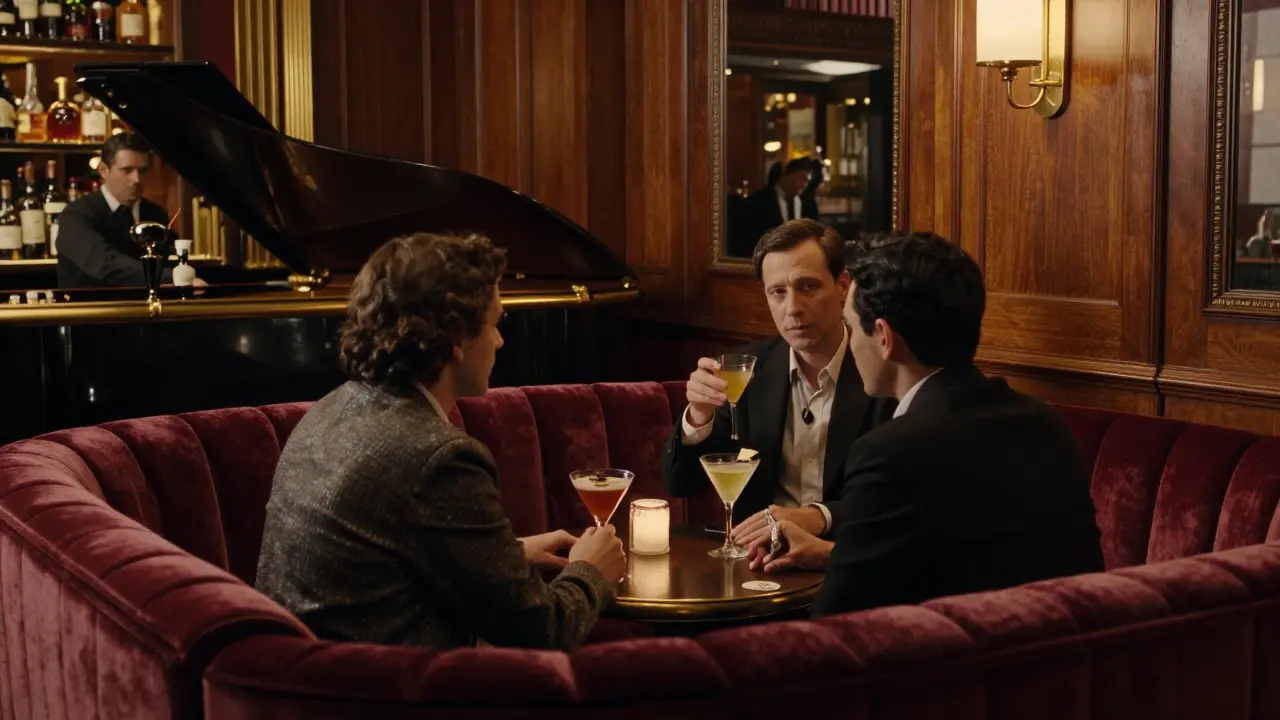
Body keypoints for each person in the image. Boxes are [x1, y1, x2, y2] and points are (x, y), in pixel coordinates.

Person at [255, 232, 626, 650]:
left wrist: (510, 554)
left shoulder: (331, 407)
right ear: (456, 342)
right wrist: (590, 572)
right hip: (381, 691)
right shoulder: (439, 457)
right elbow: (544, 630)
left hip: (304, 681)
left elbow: (380, 561)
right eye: (495, 323)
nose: (501, 340)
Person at [746, 231, 1105, 617]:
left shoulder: (891, 452)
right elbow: (969, 561)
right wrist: (835, 554)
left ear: (883, 337)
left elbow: (835, 628)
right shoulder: (1044, 422)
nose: (849, 343)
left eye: (851, 325)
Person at [661, 218, 896, 546]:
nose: (793, 308)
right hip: (757, 564)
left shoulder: (884, 372)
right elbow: (681, 484)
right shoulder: (743, 372)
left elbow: (895, 496)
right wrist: (698, 416)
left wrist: (819, 516)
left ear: (843, 286)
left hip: (845, 559)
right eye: (778, 292)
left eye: (808, 287)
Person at [56, 133, 204, 289]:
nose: (136, 179)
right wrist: (171, 276)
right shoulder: (75, 215)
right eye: (127, 170)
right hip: (91, 311)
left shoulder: (155, 215)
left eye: (143, 170)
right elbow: (104, 265)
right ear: (103, 170)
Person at [726, 158, 814, 257]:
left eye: (807, 181)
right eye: (800, 178)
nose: (804, 185)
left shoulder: (806, 204)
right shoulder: (759, 201)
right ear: (786, 175)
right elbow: (743, 240)